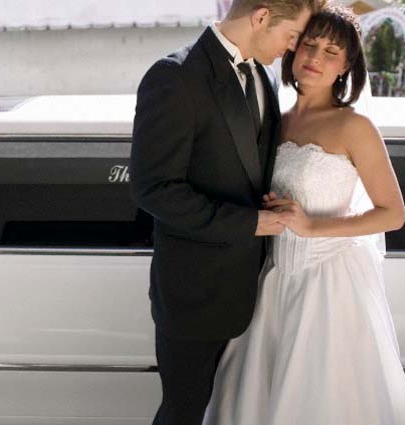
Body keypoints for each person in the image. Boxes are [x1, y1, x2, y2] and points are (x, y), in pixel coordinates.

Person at [203, 4, 405, 425]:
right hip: (271, 281)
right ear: (293, 48)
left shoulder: (354, 127)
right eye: (310, 44)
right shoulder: (273, 121)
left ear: (346, 67)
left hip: (329, 288)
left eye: (331, 52)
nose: (315, 58)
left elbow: (393, 213)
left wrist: (312, 226)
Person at [130, 1, 321, 424]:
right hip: (195, 295)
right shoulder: (175, 77)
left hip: (257, 292)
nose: (292, 50)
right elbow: (154, 189)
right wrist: (252, 223)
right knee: (186, 410)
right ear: (261, 17)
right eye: (291, 37)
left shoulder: (263, 76)